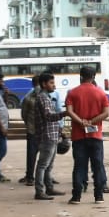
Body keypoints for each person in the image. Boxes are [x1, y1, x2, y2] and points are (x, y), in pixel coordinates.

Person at [65, 64, 109, 204]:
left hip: (78, 136)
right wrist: (91, 122)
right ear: (94, 76)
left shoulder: (72, 93)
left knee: (79, 166)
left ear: (81, 76)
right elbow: (106, 113)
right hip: (96, 136)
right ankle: (98, 196)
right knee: (97, 165)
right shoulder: (100, 93)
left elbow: (69, 111)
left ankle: (77, 196)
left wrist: (82, 122)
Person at [31, 72, 68, 200]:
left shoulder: (46, 97)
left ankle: (49, 188)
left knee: (49, 165)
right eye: (51, 83)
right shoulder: (43, 98)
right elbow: (49, 116)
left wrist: (59, 131)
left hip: (51, 135)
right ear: (44, 84)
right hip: (47, 136)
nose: (54, 85)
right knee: (43, 165)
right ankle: (39, 191)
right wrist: (64, 113)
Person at [19, 75, 41, 185]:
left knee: (32, 155)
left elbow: (24, 114)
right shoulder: (49, 95)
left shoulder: (28, 97)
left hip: (32, 130)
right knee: (45, 157)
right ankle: (44, 178)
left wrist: (29, 124)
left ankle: (30, 177)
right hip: (43, 131)